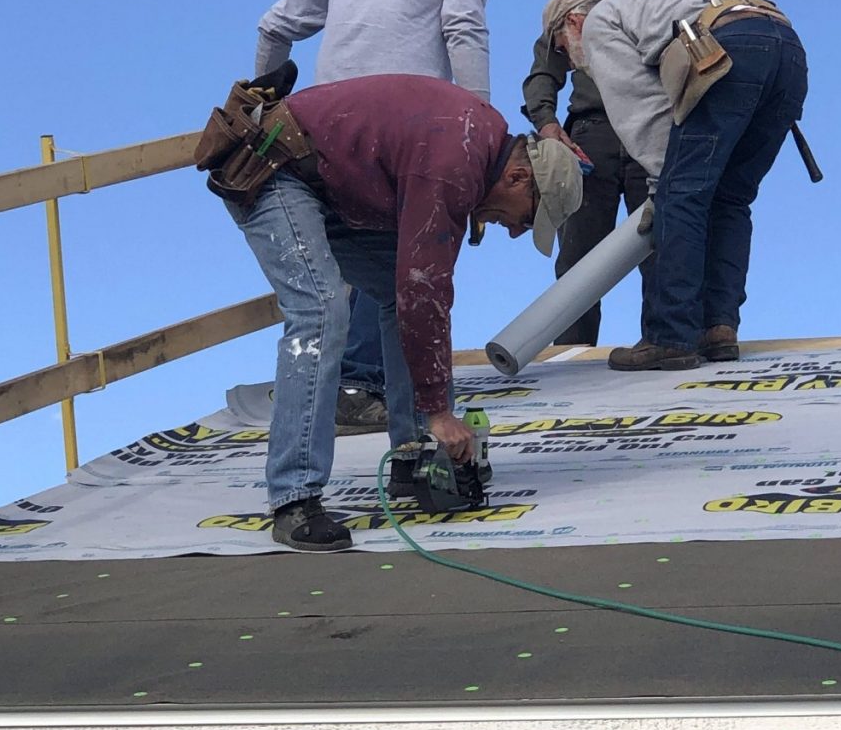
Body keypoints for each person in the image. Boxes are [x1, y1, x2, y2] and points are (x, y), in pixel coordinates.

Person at [223, 72, 582, 552]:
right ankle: (294, 498)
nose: (516, 231)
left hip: (331, 183)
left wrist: (436, 418)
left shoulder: (478, 147)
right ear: (518, 177)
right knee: (322, 309)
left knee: (397, 295)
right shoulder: (456, 163)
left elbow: (423, 293)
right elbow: (424, 289)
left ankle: (415, 462)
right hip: (274, 167)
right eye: (527, 216)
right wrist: (440, 411)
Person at [255, 0, 490, 436]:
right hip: (411, 133)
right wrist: (480, 129)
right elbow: (462, 28)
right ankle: (397, 413)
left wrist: (261, 104)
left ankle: (351, 387)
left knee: (344, 272)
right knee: (408, 271)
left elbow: (274, 25)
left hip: (318, 132)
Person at [543, 0, 808, 371]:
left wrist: (661, 190)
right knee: (730, 198)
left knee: (681, 193)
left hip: (732, 47)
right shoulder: (652, 6)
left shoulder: (600, 21)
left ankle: (671, 337)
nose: (570, 63)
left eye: (564, 50)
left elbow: (645, 117)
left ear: (572, 23)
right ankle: (717, 328)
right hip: (786, 49)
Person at [521, 0, 698, 347]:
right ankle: (570, 362)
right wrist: (548, 125)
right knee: (579, 257)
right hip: (592, 137)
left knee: (664, 247)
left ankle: (666, 348)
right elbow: (542, 72)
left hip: (657, 135)